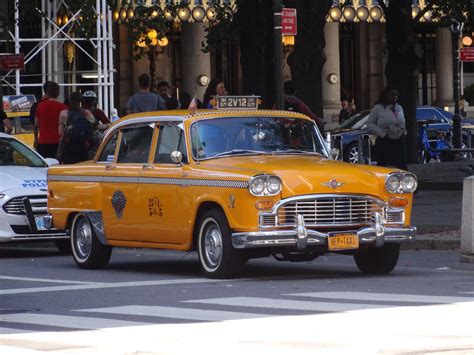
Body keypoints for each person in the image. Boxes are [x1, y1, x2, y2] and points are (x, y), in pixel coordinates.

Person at [367, 86, 408, 171]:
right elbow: (370, 124)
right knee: (383, 166)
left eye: (396, 94)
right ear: (386, 95)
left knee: (402, 166)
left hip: (399, 140)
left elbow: (402, 123)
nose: (394, 97)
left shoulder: (399, 108)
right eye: (391, 94)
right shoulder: (378, 108)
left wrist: (404, 131)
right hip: (384, 140)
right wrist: (382, 133)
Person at [58, 91, 95, 164]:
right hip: (83, 147)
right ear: (81, 101)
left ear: (69, 100)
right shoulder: (86, 113)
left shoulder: (64, 113)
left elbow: (60, 132)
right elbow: (94, 127)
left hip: (69, 148)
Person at [34, 81, 68, 158]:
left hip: (42, 142)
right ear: (58, 93)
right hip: (58, 143)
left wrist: (36, 139)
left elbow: (36, 124)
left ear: (47, 93)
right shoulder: (63, 107)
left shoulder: (40, 106)